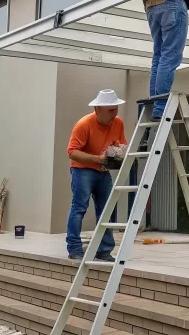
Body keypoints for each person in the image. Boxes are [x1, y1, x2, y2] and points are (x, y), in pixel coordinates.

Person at [65, 89, 128, 261]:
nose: (114, 113)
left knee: (106, 210)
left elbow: (121, 144)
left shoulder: (118, 123)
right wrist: (98, 159)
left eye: (115, 109)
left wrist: (120, 154)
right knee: (79, 208)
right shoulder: (84, 124)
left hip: (102, 170)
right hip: (82, 169)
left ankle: (104, 250)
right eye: (110, 110)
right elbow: (71, 152)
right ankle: (75, 249)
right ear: (97, 109)